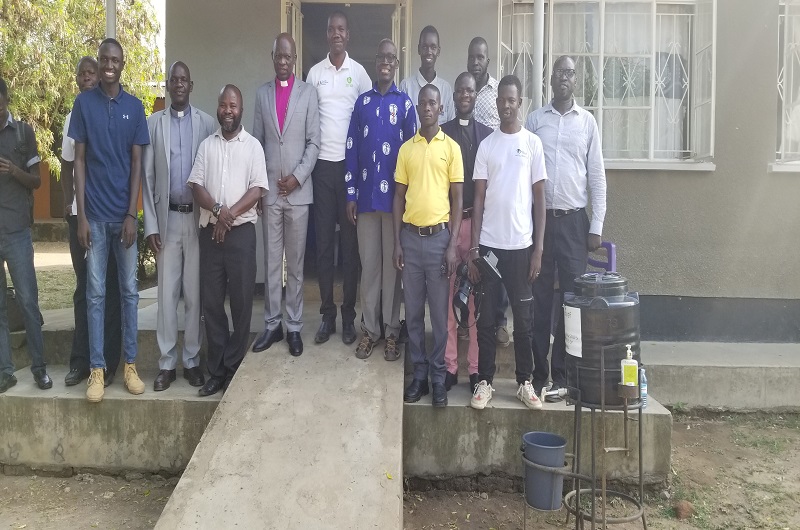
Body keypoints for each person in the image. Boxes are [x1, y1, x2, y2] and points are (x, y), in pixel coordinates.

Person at [69, 38, 149, 403]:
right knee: (96, 294)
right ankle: (97, 370)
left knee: (129, 293)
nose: (109, 65)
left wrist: (133, 213)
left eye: (115, 60)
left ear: (123, 63)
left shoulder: (135, 107)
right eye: (104, 60)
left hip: (123, 218)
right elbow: (79, 162)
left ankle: (130, 365)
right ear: (99, 63)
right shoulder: (84, 104)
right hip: (96, 219)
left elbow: (137, 164)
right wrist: (82, 216)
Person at [525, 56, 607, 397]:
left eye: (570, 73)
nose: (564, 78)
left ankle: (563, 376)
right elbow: (523, 172)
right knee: (540, 300)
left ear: (576, 80)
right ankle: (539, 373)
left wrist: (596, 226)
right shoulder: (535, 120)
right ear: (551, 78)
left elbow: (597, 177)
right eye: (559, 72)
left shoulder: (587, 123)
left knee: (570, 303)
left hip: (574, 224)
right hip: (541, 221)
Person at [468, 75, 547, 411]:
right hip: (489, 247)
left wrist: (538, 249)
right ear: (497, 102)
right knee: (486, 319)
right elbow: (479, 198)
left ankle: (524, 383)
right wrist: (473, 249)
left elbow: (540, 199)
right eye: (501, 99)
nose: (505, 105)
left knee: (524, 321)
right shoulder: (487, 145)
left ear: (520, 102)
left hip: (521, 248)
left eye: (511, 99)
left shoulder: (532, 144)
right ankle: (484, 382)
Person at [188, 84, 268, 397]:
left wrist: (228, 216)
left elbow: (257, 190)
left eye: (233, 105)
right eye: (223, 105)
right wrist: (218, 212)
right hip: (211, 235)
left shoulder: (253, 147)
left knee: (242, 303)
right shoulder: (207, 146)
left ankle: (234, 368)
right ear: (218, 108)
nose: (227, 111)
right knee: (212, 303)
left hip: (241, 237)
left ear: (241, 109)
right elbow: (196, 186)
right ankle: (217, 370)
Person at [143, 61, 216, 391]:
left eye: (184, 80)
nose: (179, 85)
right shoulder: (153, 124)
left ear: (191, 84)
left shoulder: (206, 123)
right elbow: (147, 178)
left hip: (196, 220)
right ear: (168, 85)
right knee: (167, 294)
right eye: (174, 80)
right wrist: (151, 225)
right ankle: (167, 363)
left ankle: (192, 360)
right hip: (167, 220)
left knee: (193, 292)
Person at [345, 39, 416, 361]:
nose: (385, 62)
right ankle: (369, 330)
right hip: (366, 200)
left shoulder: (406, 105)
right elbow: (351, 150)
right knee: (370, 268)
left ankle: (391, 331)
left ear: (396, 64)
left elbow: (414, 155)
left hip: (395, 204)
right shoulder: (362, 104)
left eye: (391, 57)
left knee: (393, 269)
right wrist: (350, 194)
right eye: (381, 57)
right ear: (376, 62)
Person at [394, 84, 463, 408]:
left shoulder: (451, 149)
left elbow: (458, 198)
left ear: (440, 108)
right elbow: (397, 197)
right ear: (418, 107)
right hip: (410, 239)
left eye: (432, 102)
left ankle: (438, 377)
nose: (427, 107)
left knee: (438, 314)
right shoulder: (407, 149)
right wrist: (397, 242)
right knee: (414, 316)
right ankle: (419, 374)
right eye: (422, 103)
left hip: (439, 242)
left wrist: (451, 246)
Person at [252, 33, 320, 357]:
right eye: (278, 56)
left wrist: (297, 177)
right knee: (270, 263)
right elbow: (256, 144)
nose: (282, 61)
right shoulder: (261, 95)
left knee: (295, 265)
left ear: (295, 60)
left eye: (288, 57)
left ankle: (294, 327)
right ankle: (271, 324)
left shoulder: (308, 94)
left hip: (298, 193)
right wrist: (259, 188)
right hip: (269, 195)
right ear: (272, 56)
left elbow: (314, 143)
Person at [306, 11, 372, 346]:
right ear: (326, 34)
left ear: (348, 35)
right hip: (321, 168)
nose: (336, 34)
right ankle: (327, 315)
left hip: (349, 169)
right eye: (331, 28)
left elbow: (367, 124)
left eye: (341, 29)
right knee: (323, 246)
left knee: (349, 247)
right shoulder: (314, 73)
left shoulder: (360, 74)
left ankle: (348, 316)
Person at [61, 56, 122, 388]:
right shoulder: (74, 114)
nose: (87, 78)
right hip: (81, 218)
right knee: (85, 289)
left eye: (91, 73)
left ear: (101, 76)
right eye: (81, 73)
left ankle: (109, 362)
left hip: (107, 214)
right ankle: (80, 361)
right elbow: (68, 166)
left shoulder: (111, 110)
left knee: (110, 288)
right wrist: (72, 211)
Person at [440, 72, 492, 393]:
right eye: (460, 91)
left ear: (476, 96)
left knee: (475, 301)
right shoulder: (443, 133)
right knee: (447, 299)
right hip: (449, 224)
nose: (465, 96)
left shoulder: (487, 136)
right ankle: (449, 366)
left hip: (477, 226)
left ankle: (474, 369)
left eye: (470, 91)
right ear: (454, 95)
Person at [0, 77, 52, 393]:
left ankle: (40, 369)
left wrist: (13, 171)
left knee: (29, 302)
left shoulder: (23, 133)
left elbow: (37, 182)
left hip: (17, 232)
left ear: (6, 100)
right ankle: (6, 372)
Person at [467, 36, 509, 347]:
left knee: (500, 255)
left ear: (488, 60)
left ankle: (500, 321)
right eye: (472, 56)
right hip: (471, 182)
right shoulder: (466, 89)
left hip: (496, 182)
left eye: (481, 56)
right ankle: (474, 317)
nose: (476, 61)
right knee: (478, 256)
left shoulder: (498, 94)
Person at [399, 26, 455, 126]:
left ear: (438, 51)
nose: (429, 52)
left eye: (433, 47)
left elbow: (450, 126)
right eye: (425, 47)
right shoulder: (406, 86)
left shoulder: (446, 89)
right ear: (419, 49)